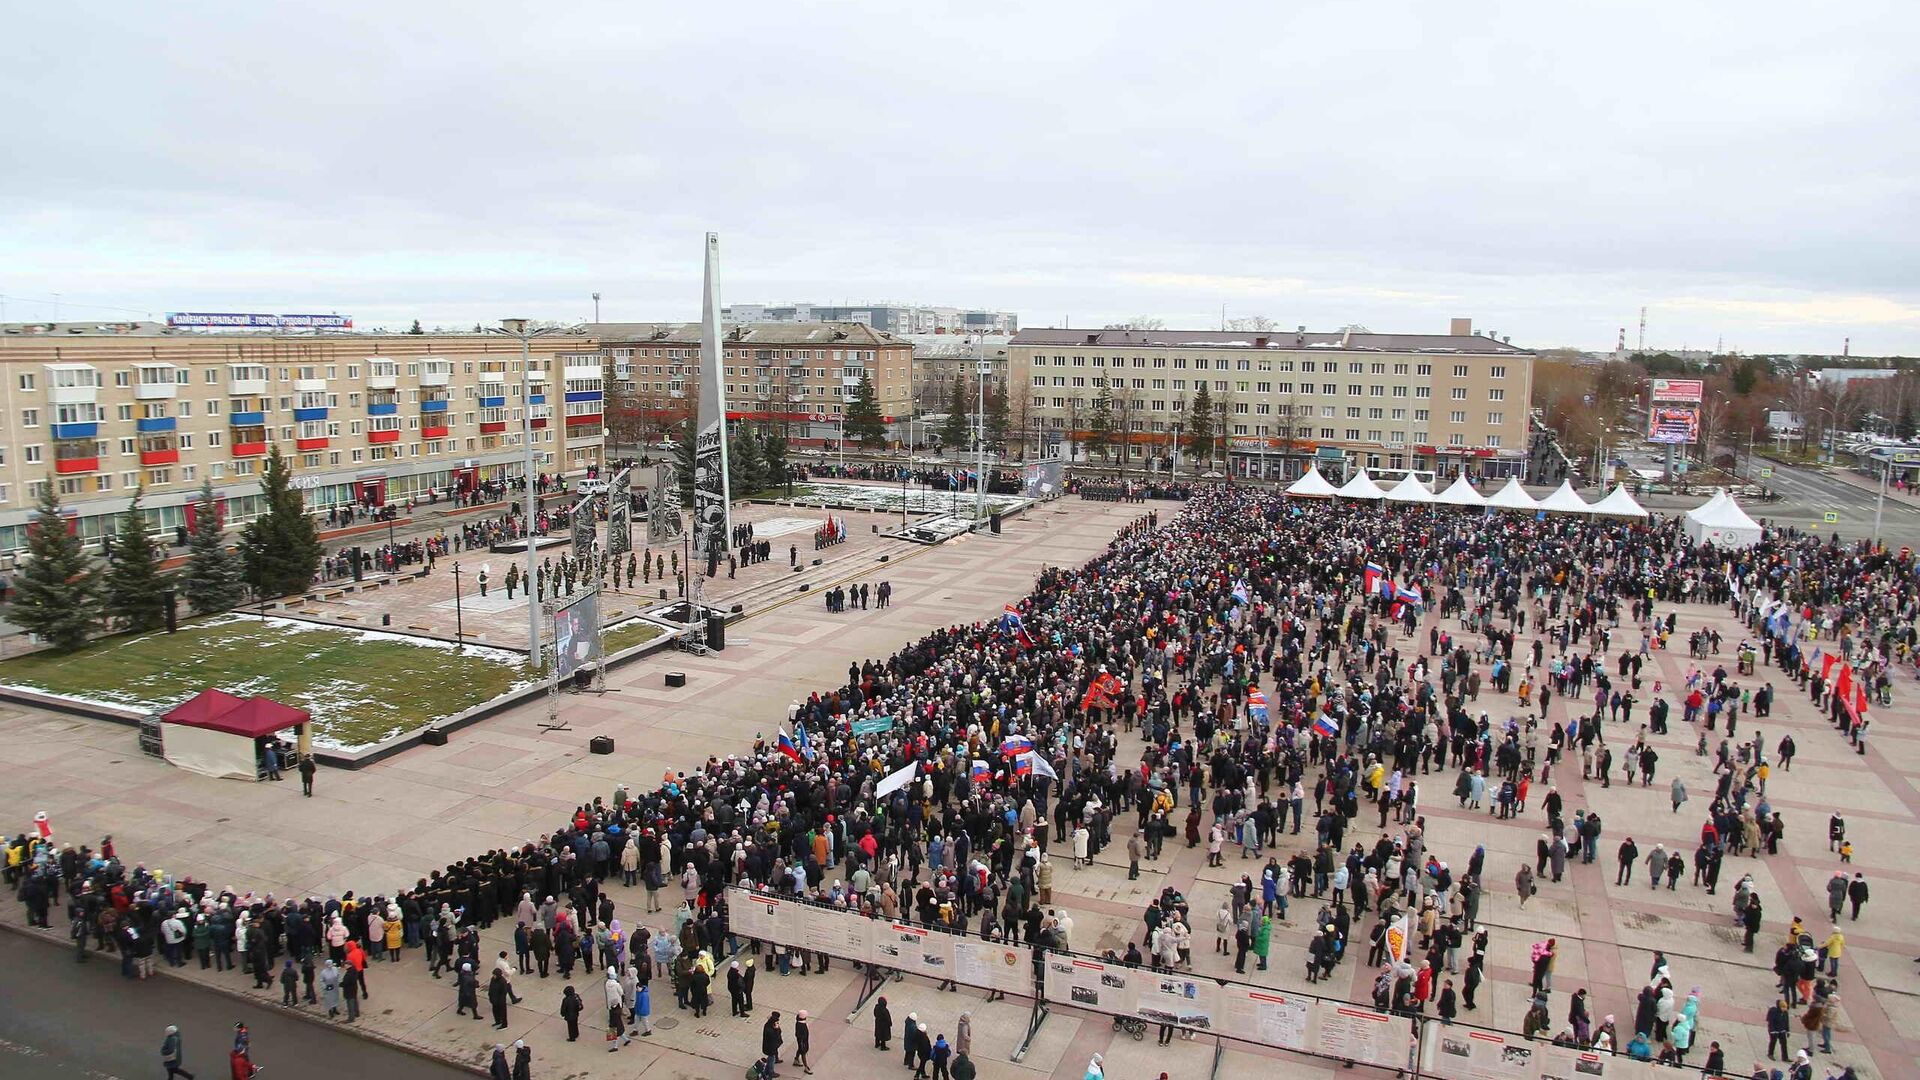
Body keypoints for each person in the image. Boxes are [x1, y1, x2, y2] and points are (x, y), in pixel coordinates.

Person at [761, 1011, 785, 1079]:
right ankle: (771, 1072)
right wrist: (777, 1029)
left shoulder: (768, 1025)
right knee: (771, 1059)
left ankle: (774, 1061)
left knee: (772, 1057)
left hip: (772, 1046)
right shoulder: (770, 1030)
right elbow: (775, 1036)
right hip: (770, 1048)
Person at [793, 1011, 813, 1075]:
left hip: (801, 1041)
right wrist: (802, 1044)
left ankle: (796, 1059)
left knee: (800, 1049)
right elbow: (801, 1035)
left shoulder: (798, 1022)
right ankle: (806, 1067)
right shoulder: (802, 1025)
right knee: (803, 1052)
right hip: (803, 1041)